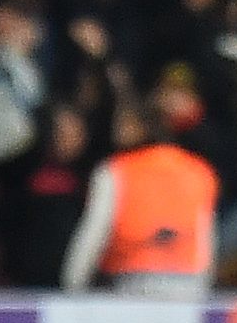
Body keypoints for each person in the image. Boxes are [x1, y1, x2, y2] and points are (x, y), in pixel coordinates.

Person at [59, 98, 219, 298]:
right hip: (190, 284)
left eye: (124, 122)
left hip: (131, 281)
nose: (117, 129)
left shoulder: (115, 170)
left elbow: (95, 231)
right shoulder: (199, 170)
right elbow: (206, 237)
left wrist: (72, 284)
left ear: (143, 125)